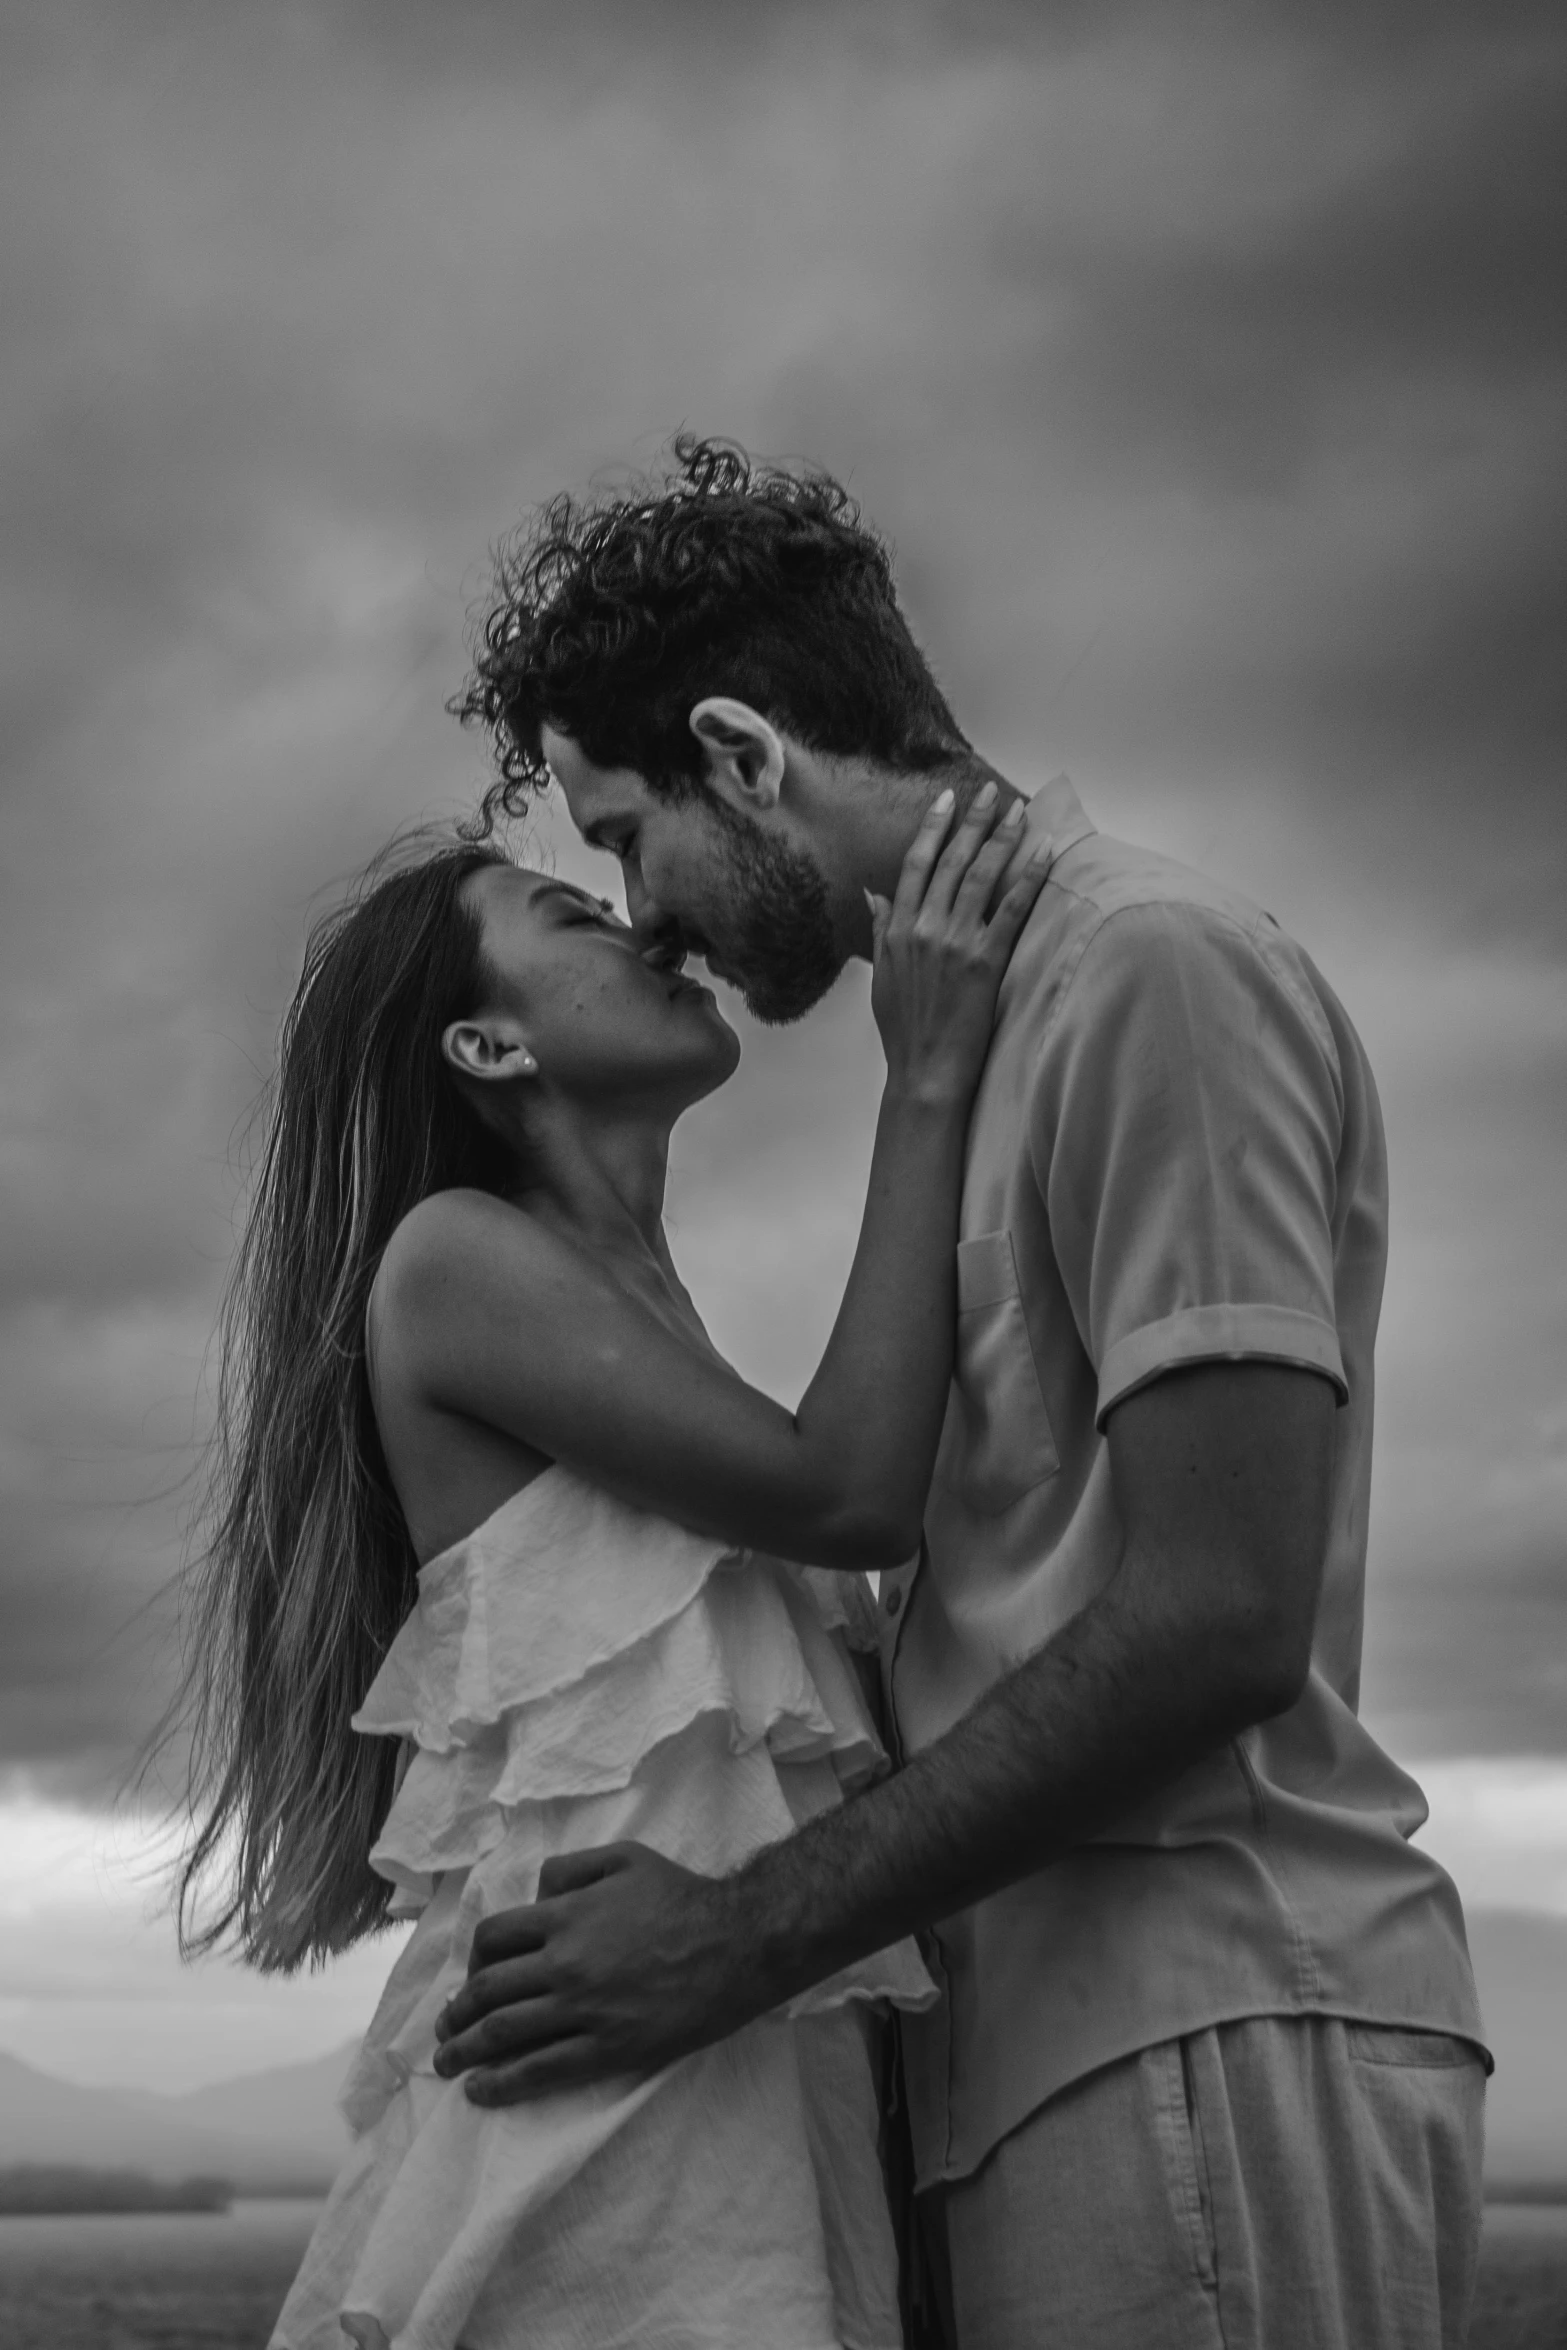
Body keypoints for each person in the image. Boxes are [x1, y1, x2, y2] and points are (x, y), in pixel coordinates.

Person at [434, 436, 1492, 2350]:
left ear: (744, 756)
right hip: (1050, 2077)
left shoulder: (1148, 974)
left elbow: (1215, 1612)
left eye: (619, 841)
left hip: (1205, 2021)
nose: (645, 912)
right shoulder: (987, 1035)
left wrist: (744, 1935)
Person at [173, 800, 1046, 2350]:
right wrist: (921, 1072)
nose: (640, 923)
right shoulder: (451, 1259)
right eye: (568, 918)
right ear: (490, 1050)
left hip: (734, 2119)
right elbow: (849, 1488)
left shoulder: (658, 1331)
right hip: (591, 2133)